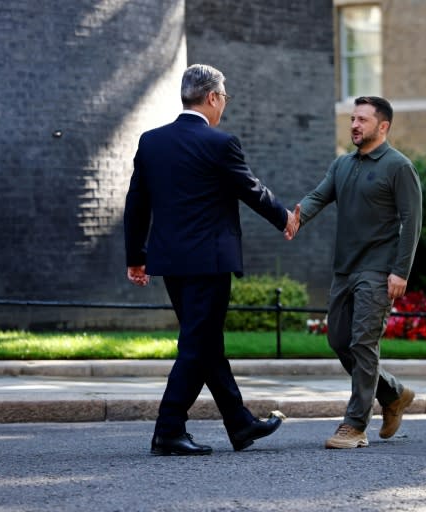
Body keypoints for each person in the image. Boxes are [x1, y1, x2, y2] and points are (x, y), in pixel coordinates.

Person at [124, 63, 300, 456]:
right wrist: (284, 217)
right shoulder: (220, 144)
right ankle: (168, 429)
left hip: (170, 261)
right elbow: (250, 188)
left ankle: (240, 424)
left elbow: (136, 203)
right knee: (195, 347)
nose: (224, 106)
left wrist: (136, 256)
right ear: (213, 98)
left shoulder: (151, 142)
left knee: (204, 343)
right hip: (209, 262)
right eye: (225, 98)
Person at [294, 96, 423, 449]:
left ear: (383, 127)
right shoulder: (342, 165)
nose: (354, 125)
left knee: (363, 344)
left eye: (363, 120)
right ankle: (393, 394)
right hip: (345, 269)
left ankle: (354, 425)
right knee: (338, 341)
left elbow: (412, 222)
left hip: (378, 271)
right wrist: (293, 218)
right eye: (353, 118)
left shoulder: (399, 167)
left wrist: (400, 271)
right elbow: (319, 197)